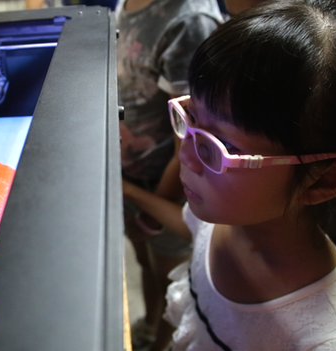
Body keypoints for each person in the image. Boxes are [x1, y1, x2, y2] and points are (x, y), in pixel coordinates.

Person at [123, 0, 336, 348]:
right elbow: (192, 227)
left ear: (325, 179)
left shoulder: (330, 340)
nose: (185, 154)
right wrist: (126, 191)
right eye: (191, 118)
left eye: (222, 148)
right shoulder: (230, 214)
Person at [116, 0, 222, 350]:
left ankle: (159, 343)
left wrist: (150, 211)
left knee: (170, 284)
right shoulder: (130, 5)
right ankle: (147, 328)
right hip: (132, 178)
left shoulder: (189, 21)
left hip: (166, 189)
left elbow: (190, 142)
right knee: (146, 264)